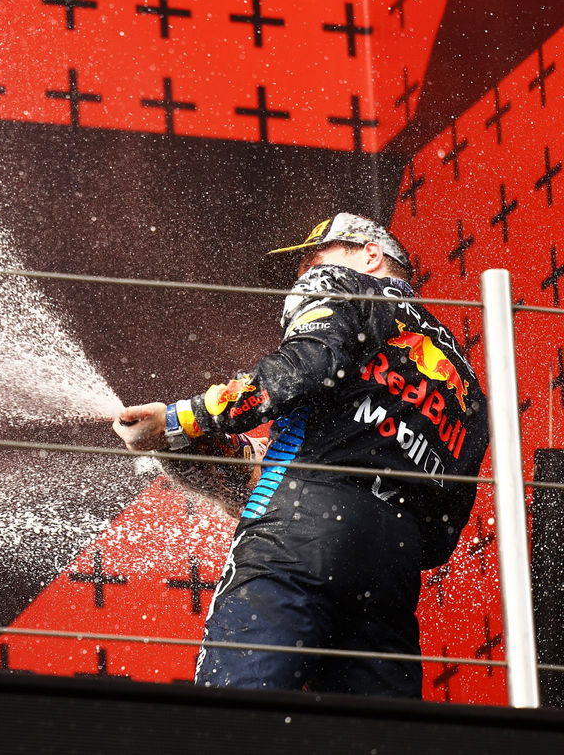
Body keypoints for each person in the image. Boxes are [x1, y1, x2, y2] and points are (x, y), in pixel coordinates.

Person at [112, 213, 489, 697]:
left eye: (314, 260)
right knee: (380, 737)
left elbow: (303, 369)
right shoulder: (468, 386)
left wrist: (181, 419)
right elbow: (440, 536)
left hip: (299, 534)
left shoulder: (343, 285)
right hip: (391, 572)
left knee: (235, 714)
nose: (305, 275)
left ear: (370, 255)